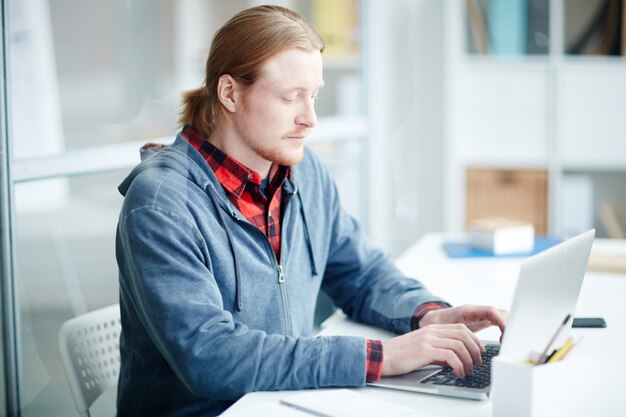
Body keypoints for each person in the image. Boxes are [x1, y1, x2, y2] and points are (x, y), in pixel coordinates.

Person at [115, 5, 506, 417]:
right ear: (229, 92)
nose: (310, 119)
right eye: (291, 98)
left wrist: (426, 314)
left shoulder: (303, 172)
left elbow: (360, 271)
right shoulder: (161, 204)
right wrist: (380, 358)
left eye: (314, 95)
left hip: (286, 401)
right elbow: (210, 355)